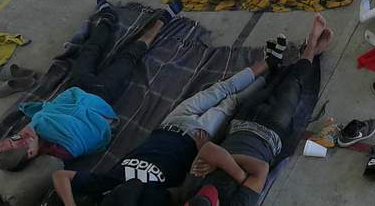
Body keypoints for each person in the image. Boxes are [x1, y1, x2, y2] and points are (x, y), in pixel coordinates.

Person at [49, 47, 290, 206]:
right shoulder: (155, 199)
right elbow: (184, 190)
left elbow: (60, 176)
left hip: (169, 125)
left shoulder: (105, 184)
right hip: (196, 138)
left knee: (218, 89)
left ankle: (268, 62)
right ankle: (270, 77)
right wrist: (203, 152)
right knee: (231, 103)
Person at [0, 6, 169, 174]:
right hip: (100, 95)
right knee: (128, 58)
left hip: (75, 88)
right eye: (21, 141)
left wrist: (33, 127)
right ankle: (161, 22)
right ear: (31, 153)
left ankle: (107, 17)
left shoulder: (34, 131)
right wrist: (100, 119)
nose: (21, 135)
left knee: (90, 49)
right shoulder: (66, 149)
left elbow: (46, 113)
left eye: (14, 137)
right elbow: (97, 133)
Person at [181, 16, 334, 206]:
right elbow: (261, 169)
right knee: (293, 83)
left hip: (240, 123)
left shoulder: (189, 195)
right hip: (270, 133)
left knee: (269, 84)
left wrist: (236, 171)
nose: (205, 192)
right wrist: (223, 162)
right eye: (209, 198)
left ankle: (309, 53)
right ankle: (311, 46)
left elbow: (207, 149)